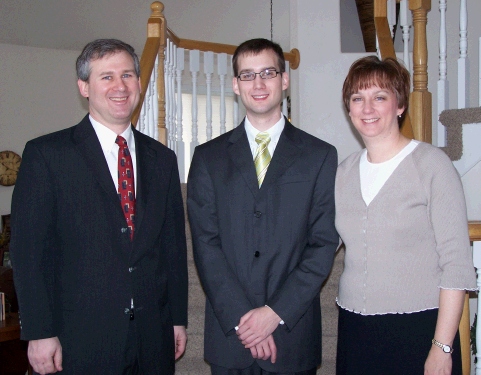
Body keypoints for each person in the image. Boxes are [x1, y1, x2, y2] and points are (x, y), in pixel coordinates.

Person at [10, 39, 188, 375]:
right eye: (106, 77)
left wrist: (177, 318)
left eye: (128, 75)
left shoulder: (163, 159)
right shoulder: (48, 155)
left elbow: (173, 249)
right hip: (78, 340)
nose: (120, 86)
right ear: (84, 87)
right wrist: (39, 331)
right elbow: (28, 253)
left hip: (153, 337)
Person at [187, 38, 339, 375]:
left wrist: (274, 313)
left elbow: (323, 243)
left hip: (291, 335)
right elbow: (205, 244)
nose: (258, 84)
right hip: (232, 339)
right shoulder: (208, 158)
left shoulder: (320, 156)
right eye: (247, 75)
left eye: (268, 73)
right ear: (235, 86)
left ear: (284, 81)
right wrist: (245, 321)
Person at [335, 55, 477, 375]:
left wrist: (442, 347)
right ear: (349, 109)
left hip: (419, 330)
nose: (367, 108)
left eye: (380, 97)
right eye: (358, 98)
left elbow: (455, 264)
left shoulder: (432, 166)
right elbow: (317, 244)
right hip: (355, 330)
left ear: (399, 105)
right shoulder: (341, 173)